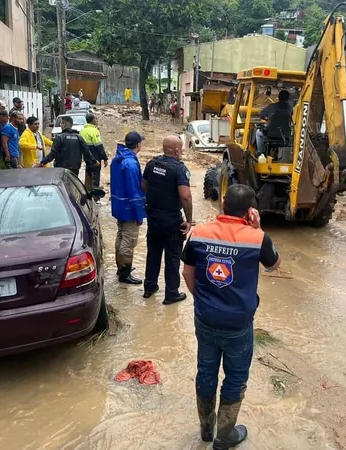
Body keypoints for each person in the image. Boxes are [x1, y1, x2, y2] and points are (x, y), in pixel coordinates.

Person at [181, 184, 281, 449]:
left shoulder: (198, 233)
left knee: (206, 370)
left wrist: (202, 301)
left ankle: (205, 429)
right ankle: (224, 437)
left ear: (222, 203)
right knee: (235, 377)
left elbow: (187, 274)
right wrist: (258, 228)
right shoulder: (257, 239)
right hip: (238, 323)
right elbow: (274, 265)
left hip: (205, 318)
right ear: (250, 211)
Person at [142, 135, 193, 304]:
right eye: (182, 149)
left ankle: (149, 287)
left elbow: (144, 187)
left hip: (153, 217)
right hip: (171, 219)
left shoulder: (151, 164)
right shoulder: (179, 169)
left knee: (153, 252)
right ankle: (171, 294)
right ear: (177, 150)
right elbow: (185, 197)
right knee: (172, 257)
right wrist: (189, 220)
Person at [111, 131, 147, 285]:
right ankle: (125, 273)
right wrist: (139, 214)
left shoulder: (117, 159)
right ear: (138, 144)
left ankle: (121, 268)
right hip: (129, 208)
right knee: (129, 240)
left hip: (118, 205)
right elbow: (135, 190)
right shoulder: (131, 163)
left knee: (121, 235)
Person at [255, 90, 293, 155]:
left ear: (279, 97)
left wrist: (267, 119)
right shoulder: (290, 109)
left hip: (271, 136)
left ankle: (260, 152)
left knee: (258, 132)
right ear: (288, 98)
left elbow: (261, 114)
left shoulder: (272, 107)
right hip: (285, 137)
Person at [80, 113, 109, 189]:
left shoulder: (82, 131)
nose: (96, 120)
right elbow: (99, 146)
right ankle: (95, 195)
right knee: (95, 177)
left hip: (86, 158)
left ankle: (87, 191)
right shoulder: (94, 131)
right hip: (95, 158)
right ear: (92, 120)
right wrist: (105, 158)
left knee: (88, 175)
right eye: (95, 119)